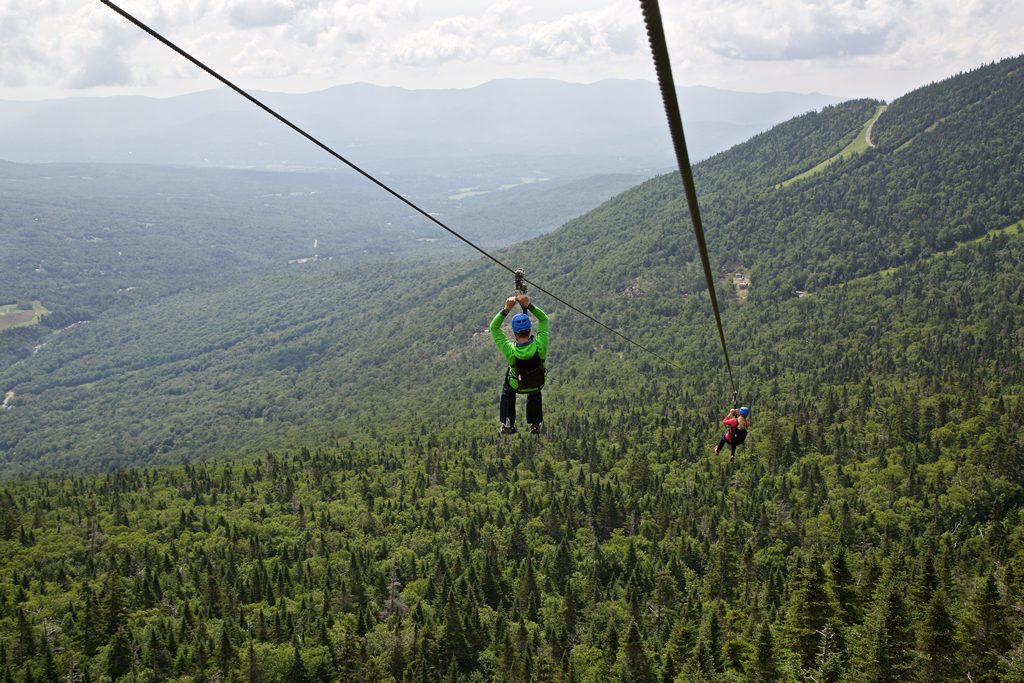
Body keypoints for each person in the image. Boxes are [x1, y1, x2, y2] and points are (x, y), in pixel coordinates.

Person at [490, 293, 549, 434]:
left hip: (517, 385)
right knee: (535, 389)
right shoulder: (540, 345)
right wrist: (528, 305)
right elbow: (544, 319)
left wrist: (506, 309)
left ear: (514, 332)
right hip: (537, 383)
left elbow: (494, 328)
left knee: (507, 391)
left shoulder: (510, 350)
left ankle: (508, 423)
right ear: (530, 330)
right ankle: (535, 423)